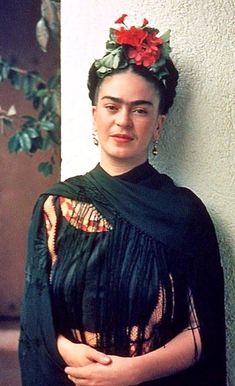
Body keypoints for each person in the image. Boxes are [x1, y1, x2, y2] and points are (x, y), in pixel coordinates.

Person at [19, 15, 226, 386]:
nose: (124, 121)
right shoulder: (55, 207)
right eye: (112, 106)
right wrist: (66, 349)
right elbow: (36, 314)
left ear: (159, 123)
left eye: (141, 109)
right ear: (94, 114)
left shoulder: (184, 213)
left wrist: (131, 373)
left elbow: (202, 331)